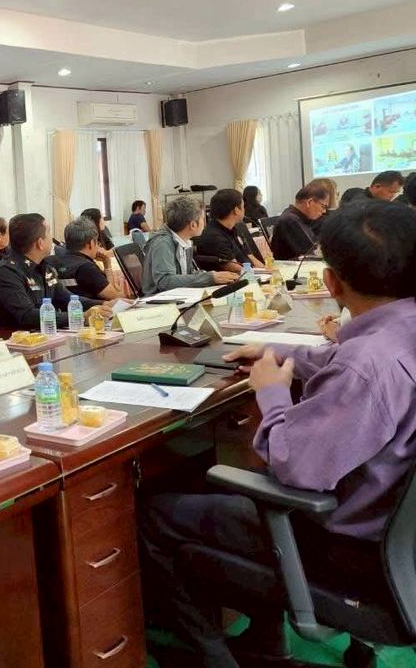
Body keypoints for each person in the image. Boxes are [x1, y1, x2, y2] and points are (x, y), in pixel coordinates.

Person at [141, 201, 416, 667]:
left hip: (348, 552)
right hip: (399, 545)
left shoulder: (366, 366)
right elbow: (345, 362)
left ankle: (213, 659)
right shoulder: (395, 336)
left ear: (332, 282)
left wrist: (271, 392)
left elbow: (294, 466)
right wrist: (278, 352)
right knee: (224, 490)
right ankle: (265, 641)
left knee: (156, 512)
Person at [0, 213, 107, 331]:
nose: (52, 238)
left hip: (46, 334)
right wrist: (80, 316)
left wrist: (103, 304)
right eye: (49, 232)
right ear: (40, 243)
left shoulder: (45, 267)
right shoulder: (7, 272)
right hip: (16, 338)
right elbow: (27, 315)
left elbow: (68, 298)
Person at [141, 197, 239, 296]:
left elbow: (189, 274)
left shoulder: (184, 240)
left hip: (179, 295)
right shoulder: (162, 243)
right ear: (193, 225)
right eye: (203, 219)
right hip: (160, 299)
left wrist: (216, 277)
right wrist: (209, 278)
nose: (205, 223)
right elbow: (165, 282)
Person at [193, 189, 264, 272]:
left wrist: (267, 271)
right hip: (236, 277)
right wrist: (262, 274)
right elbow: (235, 268)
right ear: (236, 210)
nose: (245, 209)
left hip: (250, 273)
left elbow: (250, 256)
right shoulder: (214, 236)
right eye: (243, 206)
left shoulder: (235, 228)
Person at [56, 218, 123, 301]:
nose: (98, 246)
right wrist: (107, 265)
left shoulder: (56, 261)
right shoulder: (87, 268)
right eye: (97, 242)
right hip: (92, 308)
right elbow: (114, 297)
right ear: (91, 243)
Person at [270, 182, 329, 260]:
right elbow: (312, 254)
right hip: (291, 266)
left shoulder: (298, 217)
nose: (324, 211)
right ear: (309, 202)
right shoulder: (290, 220)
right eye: (323, 206)